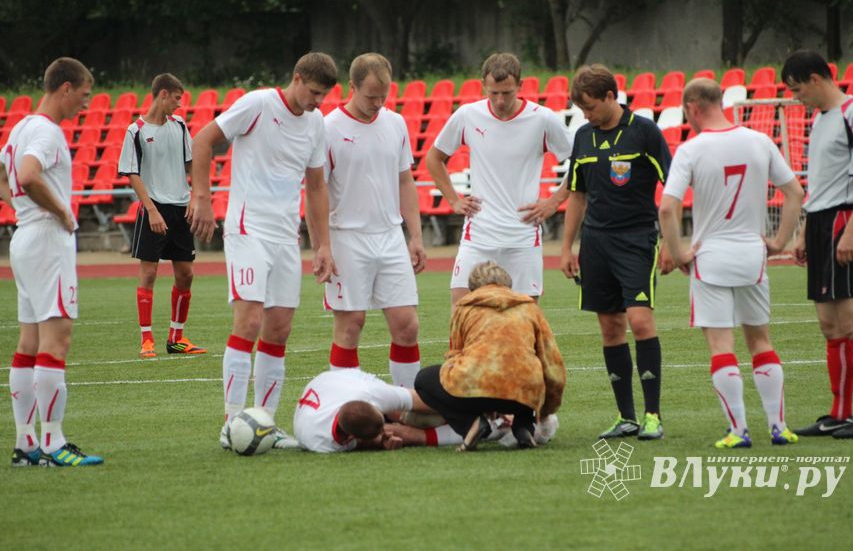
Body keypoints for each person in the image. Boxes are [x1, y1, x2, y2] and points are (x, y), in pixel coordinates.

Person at [187, 52, 339, 448]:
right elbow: (203, 139)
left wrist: (322, 244)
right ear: (297, 77)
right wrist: (202, 197)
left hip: (287, 237)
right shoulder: (258, 104)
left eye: (324, 96)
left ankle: (265, 423)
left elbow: (317, 185)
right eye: (314, 92)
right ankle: (231, 423)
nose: (318, 102)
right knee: (249, 322)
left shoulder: (317, 122)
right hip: (247, 228)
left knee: (278, 329)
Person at [658, 78, 806, 448]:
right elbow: (795, 192)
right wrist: (779, 241)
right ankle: (778, 426)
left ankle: (738, 430)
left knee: (722, 345)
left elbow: (667, 207)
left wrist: (678, 254)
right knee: (760, 340)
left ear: (692, 107)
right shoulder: (759, 141)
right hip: (751, 254)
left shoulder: (691, 150)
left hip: (711, 258)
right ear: (719, 101)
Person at [560, 64, 674, 441]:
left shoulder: (644, 132)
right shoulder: (583, 136)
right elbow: (577, 194)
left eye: (591, 107)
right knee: (610, 328)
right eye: (582, 109)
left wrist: (673, 243)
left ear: (611, 96)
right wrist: (567, 246)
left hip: (636, 239)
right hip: (596, 244)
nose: (587, 115)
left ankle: (653, 415)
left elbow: (672, 186)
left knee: (640, 322)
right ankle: (626, 417)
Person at [0, 57, 103, 467]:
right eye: (84, 94)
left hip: (24, 237)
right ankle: (53, 442)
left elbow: (6, 173)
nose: (85, 103)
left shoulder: (21, 127)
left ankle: (26, 444)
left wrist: (18, 207)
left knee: (28, 344)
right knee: (56, 342)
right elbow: (27, 175)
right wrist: (60, 212)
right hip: (46, 238)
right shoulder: (47, 131)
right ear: (65, 88)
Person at [782, 50, 853, 439]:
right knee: (829, 325)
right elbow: (821, 183)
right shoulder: (819, 119)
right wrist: (806, 230)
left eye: (796, 89)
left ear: (814, 78)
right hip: (822, 222)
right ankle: (839, 412)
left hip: (845, 219)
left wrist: (851, 231)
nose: (795, 97)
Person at [425, 52, 572, 308]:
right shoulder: (467, 115)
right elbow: (434, 158)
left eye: (507, 93)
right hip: (479, 233)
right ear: (484, 85)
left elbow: (582, 161)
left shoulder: (542, 119)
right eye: (493, 93)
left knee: (525, 318)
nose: (500, 100)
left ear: (520, 86)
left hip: (523, 234)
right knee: (461, 310)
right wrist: (453, 200)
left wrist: (554, 201)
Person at [322, 53, 425, 385]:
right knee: (351, 324)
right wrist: (323, 245)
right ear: (351, 87)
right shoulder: (328, 128)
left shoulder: (395, 123)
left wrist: (416, 237)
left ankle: (408, 407)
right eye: (370, 96)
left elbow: (404, 180)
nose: (378, 103)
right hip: (346, 238)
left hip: (390, 235)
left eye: (384, 96)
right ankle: (345, 404)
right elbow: (315, 190)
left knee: (407, 324)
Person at [414, 261, 566, 451]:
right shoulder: (529, 307)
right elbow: (552, 364)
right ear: (507, 285)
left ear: (473, 288)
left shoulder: (464, 307)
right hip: (522, 394)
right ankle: (523, 425)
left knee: (424, 379)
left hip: (476, 390)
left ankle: (472, 424)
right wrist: (545, 410)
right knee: (527, 371)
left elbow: (455, 356)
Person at [118, 73, 206, 359]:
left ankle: (176, 338)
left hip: (181, 208)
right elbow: (132, 174)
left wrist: (195, 197)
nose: (180, 105)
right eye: (178, 98)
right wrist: (152, 210)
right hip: (153, 208)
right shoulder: (136, 130)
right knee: (150, 274)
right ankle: (146, 340)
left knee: (186, 274)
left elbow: (192, 163)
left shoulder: (179, 126)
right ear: (163, 94)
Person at [292, 369, 445, 453]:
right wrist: (381, 442)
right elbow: (364, 441)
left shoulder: (370, 393)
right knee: (407, 435)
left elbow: (419, 400)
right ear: (351, 436)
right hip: (326, 391)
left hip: (341, 379)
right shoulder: (324, 444)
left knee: (400, 411)